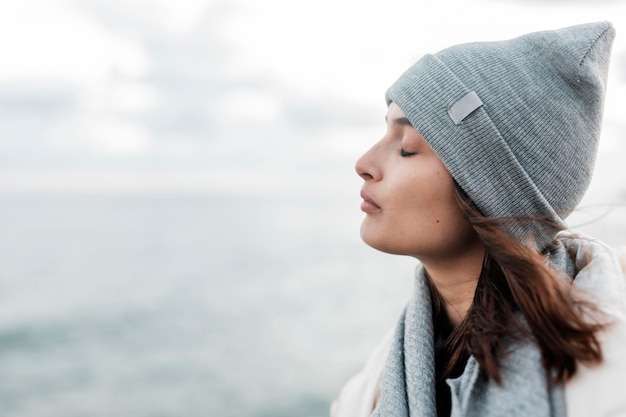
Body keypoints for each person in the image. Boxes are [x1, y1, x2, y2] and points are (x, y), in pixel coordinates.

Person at [331, 21, 626, 417]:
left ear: (488, 187)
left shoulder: (606, 386)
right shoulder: (374, 385)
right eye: (384, 135)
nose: (363, 164)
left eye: (406, 148)